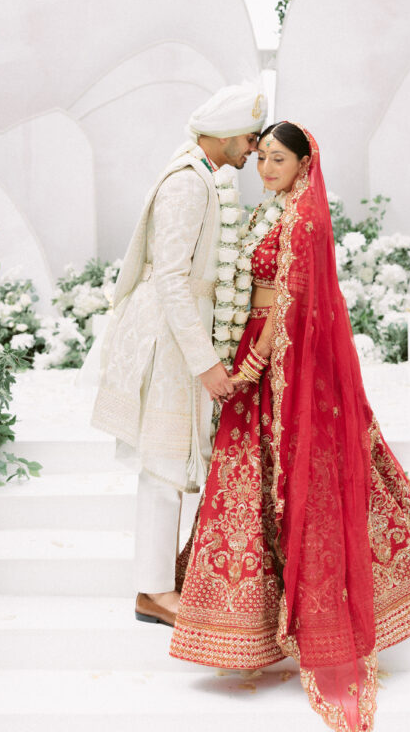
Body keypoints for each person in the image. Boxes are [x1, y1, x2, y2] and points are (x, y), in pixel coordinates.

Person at [170, 123, 410, 732]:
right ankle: (244, 618)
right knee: (250, 477)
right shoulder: (270, 209)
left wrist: (252, 363)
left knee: (300, 474)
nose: (266, 167)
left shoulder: (305, 219)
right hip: (254, 347)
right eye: (264, 158)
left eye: (278, 160)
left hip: (286, 358)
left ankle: (314, 606)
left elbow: (292, 301)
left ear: (305, 163)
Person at [91, 82, 267, 627]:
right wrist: (207, 364)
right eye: (250, 137)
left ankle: (159, 580)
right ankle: (152, 593)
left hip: (178, 331)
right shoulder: (189, 184)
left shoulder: (204, 177)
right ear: (227, 134)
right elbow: (170, 279)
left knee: (173, 460)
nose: (253, 149)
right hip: (168, 335)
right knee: (165, 463)